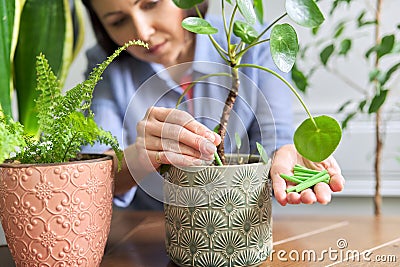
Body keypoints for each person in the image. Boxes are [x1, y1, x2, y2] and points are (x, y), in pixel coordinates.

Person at [80, 0, 345, 210]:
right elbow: (90, 171)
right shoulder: (107, 65)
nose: (142, 32)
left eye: (151, 4)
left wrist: (285, 158)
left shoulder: (251, 44)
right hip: (147, 235)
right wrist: (142, 155)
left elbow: (276, 144)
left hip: (240, 224)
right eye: (118, 21)